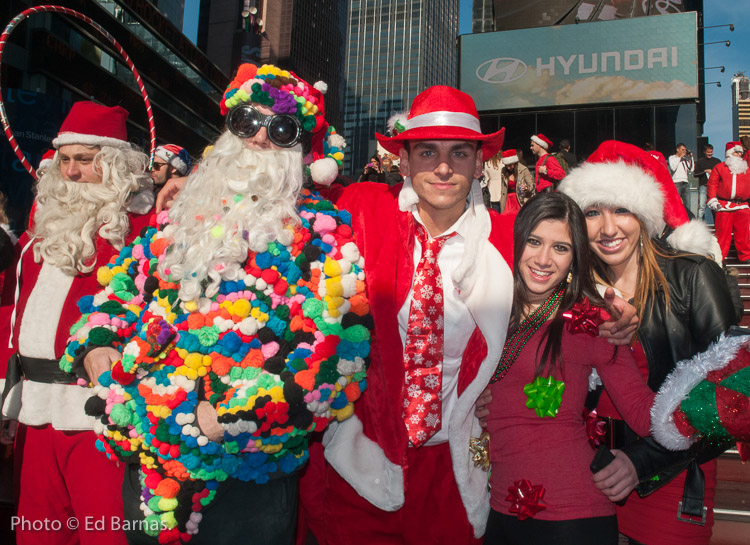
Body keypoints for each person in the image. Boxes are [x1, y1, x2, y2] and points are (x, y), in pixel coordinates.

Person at [313, 87, 635, 544]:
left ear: (480, 163)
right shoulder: (363, 211)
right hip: (361, 460)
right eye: (427, 152)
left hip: (457, 468)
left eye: (459, 153)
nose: (443, 168)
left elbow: (562, 266)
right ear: (402, 162)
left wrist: (615, 300)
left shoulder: (508, 237)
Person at [63, 63, 368, 545]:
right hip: (150, 457)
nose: (261, 139)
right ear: (229, 130)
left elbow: (336, 360)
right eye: (248, 122)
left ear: (302, 151)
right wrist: (98, 343)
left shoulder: (321, 235)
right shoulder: (179, 217)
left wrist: (232, 417)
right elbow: (118, 292)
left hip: (249, 475)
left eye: (282, 130)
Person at [560, 140, 738, 545]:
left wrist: (640, 463)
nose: (608, 229)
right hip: (589, 473)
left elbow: (730, 398)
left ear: (643, 215)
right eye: (592, 212)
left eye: (621, 209)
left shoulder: (692, 277)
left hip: (670, 476)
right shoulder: (575, 290)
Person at [0, 101, 154, 545]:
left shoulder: (140, 229)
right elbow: (13, 311)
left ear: (114, 165)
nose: (70, 172)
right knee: (37, 530)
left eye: (84, 160)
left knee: (102, 530)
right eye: (64, 160)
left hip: (98, 412)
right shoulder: (39, 232)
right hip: (33, 409)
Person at [483, 191, 655, 545]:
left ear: (576, 257)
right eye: (534, 241)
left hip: (573, 518)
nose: (544, 259)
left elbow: (642, 412)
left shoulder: (595, 320)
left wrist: (717, 390)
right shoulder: (486, 304)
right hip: (494, 509)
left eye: (561, 248)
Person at [707, 141, 750, 263]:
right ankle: (720, 256)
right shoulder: (719, 167)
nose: (739, 155)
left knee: (743, 234)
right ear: (730, 153)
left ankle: (745, 256)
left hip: (742, 205)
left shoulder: (746, 169)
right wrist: (712, 199)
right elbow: (712, 184)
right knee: (723, 235)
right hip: (724, 205)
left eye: (741, 152)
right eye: (736, 152)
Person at [500, 149, 534, 214]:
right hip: (508, 201)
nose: (508, 168)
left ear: (515, 163)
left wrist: (526, 188)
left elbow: (531, 185)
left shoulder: (523, 169)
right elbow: (503, 189)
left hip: (519, 199)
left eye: (510, 165)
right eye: (507, 165)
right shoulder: (504, 171)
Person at [694, 144, 721, 221]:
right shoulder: (700, 162)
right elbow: (695, 174)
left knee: (715, 206)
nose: (710, 154)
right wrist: (704, 171)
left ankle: (717, 224)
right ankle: (699, 224)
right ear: (704, 152)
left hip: (714, 187)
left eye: (711, 152)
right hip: (703, 186)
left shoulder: (717, 161)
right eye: (708, 152)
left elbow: (721, 174)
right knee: (701, 207)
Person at [668, 142, 694, 212]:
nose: (684, 152)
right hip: (677, 182)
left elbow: (691, 169)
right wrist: (679, 157)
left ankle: (688, 219)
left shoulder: (685, 160)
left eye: (685, 150)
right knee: (676, 203)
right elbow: (673, 167)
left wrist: (691, 158)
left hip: (685, 182)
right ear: (677, 149)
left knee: (687, 204)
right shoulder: (672, 158)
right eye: (682, 150)